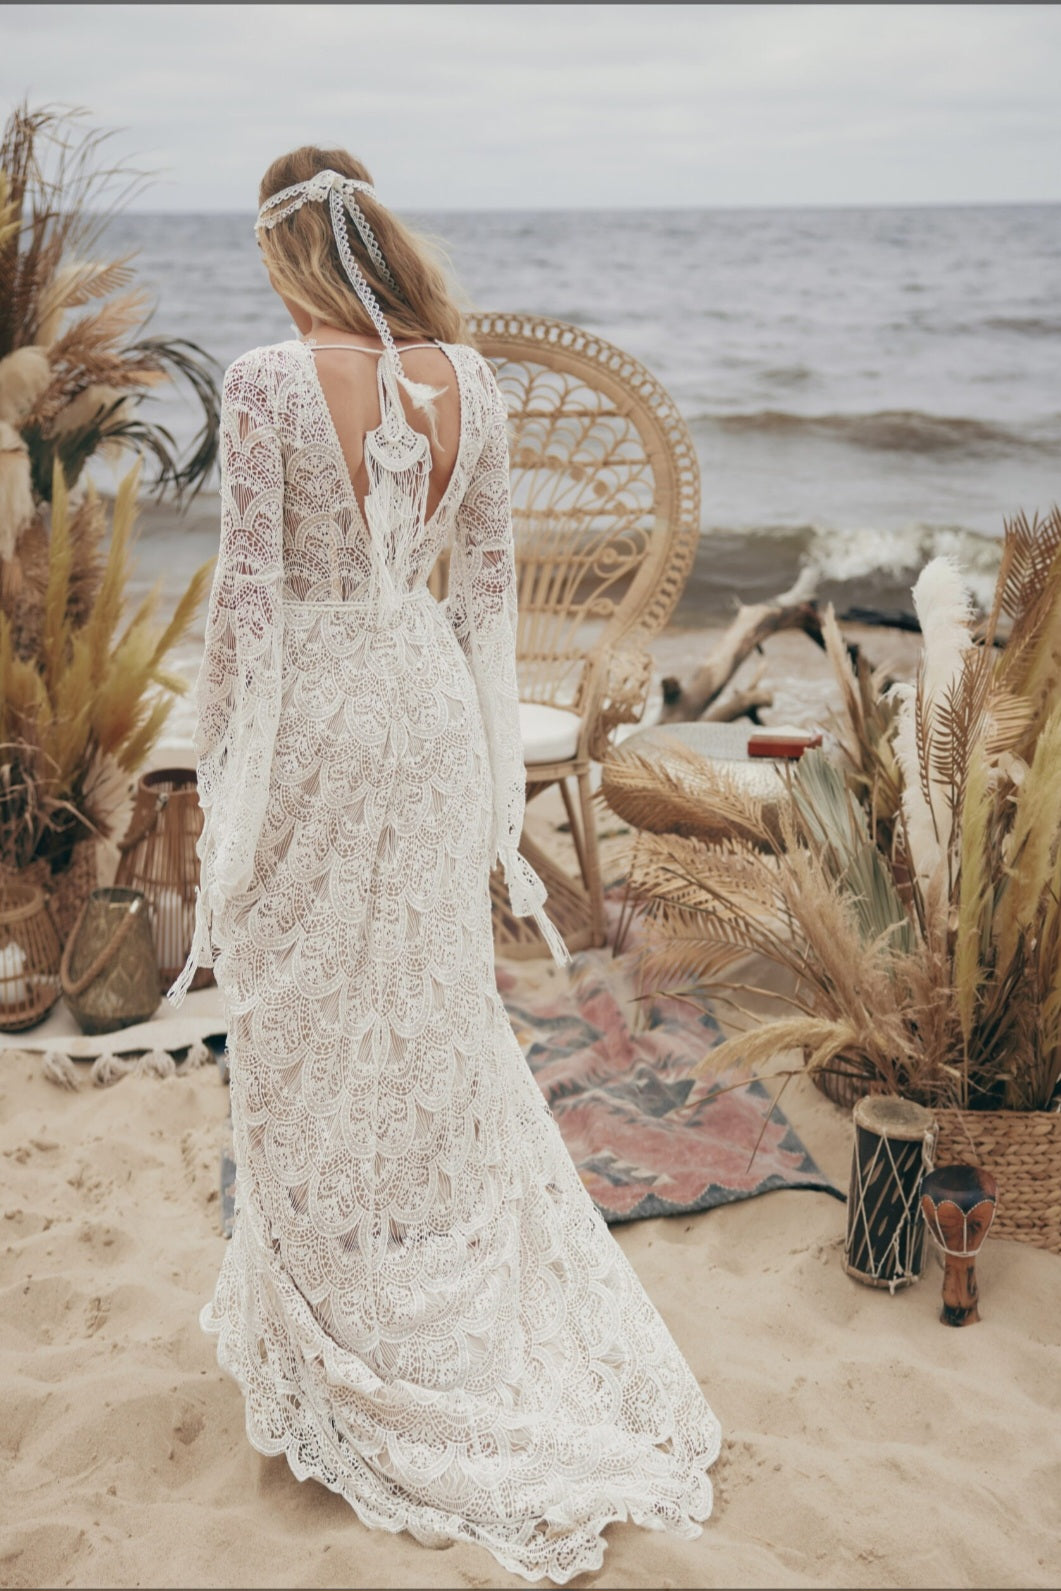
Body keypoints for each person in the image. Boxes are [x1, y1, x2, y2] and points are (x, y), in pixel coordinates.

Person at [170, 144, 720, 1585]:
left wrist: (215, 770)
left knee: (301, 1010)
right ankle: (420, 1263)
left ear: (286, 252)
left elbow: (247, 610)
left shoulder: (267, 381)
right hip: (422, 709)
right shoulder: (470, 381)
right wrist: (487, 779)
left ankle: (341, 1303)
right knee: (423, 1004)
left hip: (318, 719)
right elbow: (481, 601)